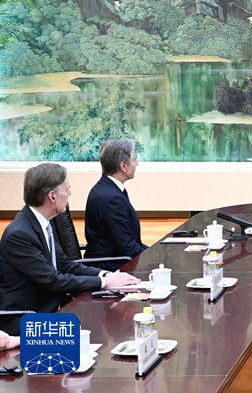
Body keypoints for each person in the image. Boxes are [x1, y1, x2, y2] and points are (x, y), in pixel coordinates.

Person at [0, 163, 140, 335]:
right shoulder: (19, 235)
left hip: (53, 309)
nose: (70, 193)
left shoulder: (42, 223)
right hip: (28, 320)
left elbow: (66, 265)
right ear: (52, 196)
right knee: (96, 338)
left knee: (102, 324)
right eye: (67, 189)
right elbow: (54, 280)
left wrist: (106, 275)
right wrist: (105, 283)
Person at [84, 139, 148, 270]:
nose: (137, 164)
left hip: (115, 260)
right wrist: (157, 257)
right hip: (111, 267)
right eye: (134, 159)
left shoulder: (108, 189)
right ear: (123, 166)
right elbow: (128, 247)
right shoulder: (112, 198)